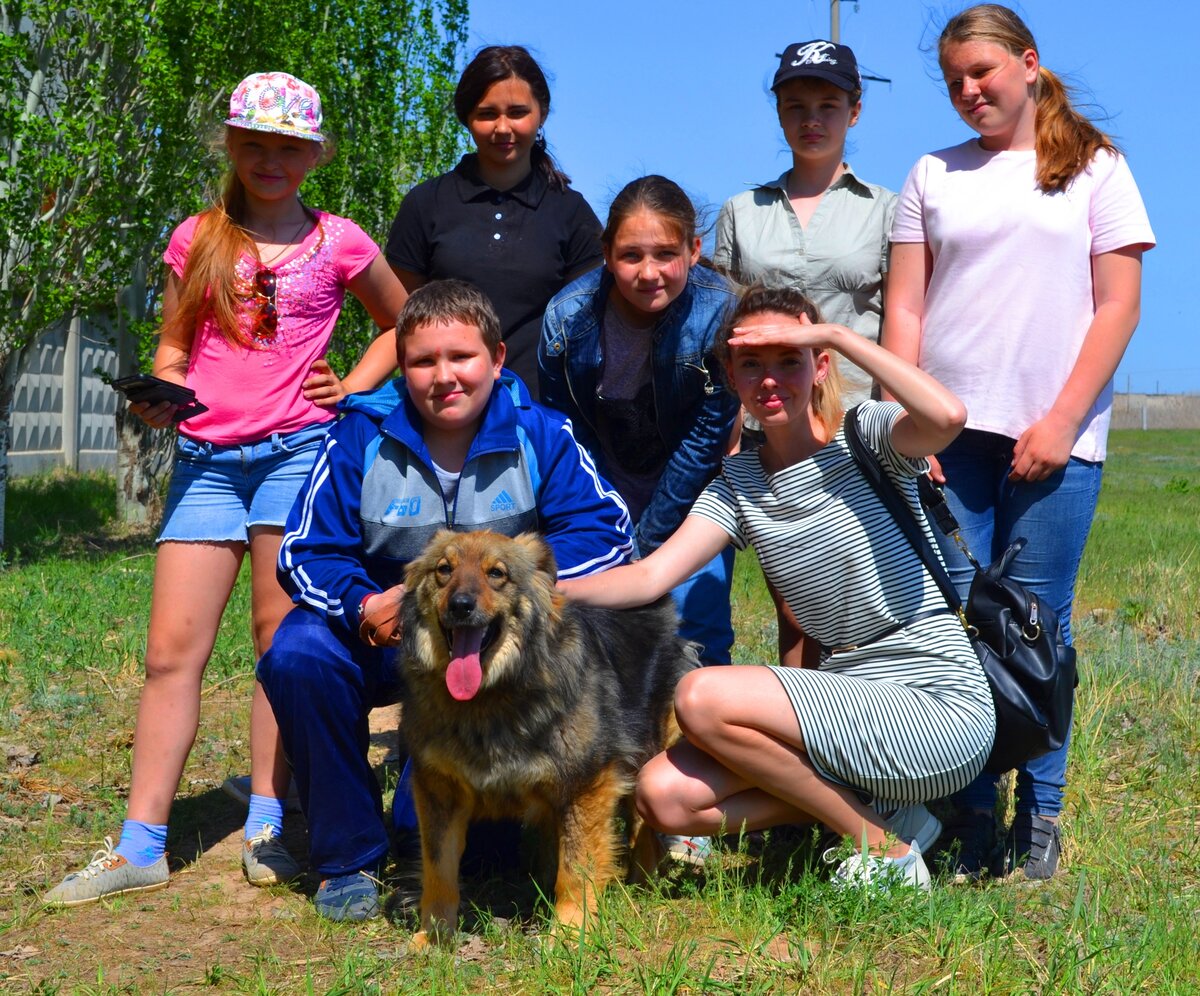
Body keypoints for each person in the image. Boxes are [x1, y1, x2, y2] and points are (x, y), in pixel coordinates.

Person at [43, 71, 408, 908]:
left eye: (287, 148)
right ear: (232, 147)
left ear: (314, 154)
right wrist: (161, 391)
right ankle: (141, 844)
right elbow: (174, 348)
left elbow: (401, 320)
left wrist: (350, 386)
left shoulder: (342, 241)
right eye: (254, 145)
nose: (269, 160)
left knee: (276, 646)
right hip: (205, 462)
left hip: (296, 457)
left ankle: (270, 824)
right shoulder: (198, 239)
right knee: (171, 652)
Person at [559, 285, 996, 892]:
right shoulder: (739, 484)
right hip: (851, 701)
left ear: (819, 366)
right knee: (663, 797)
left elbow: (947, 417)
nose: (770, 379)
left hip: (936, 699)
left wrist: (836, 334)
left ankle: (883, 851)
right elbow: (649, 575)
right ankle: (886, 817)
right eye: (752, 364)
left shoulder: (865, 437)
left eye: (789, 358)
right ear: (730, 377)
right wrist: (538, 588)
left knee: (701, 695)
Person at [258, 279, 635, 921]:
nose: (444, 377)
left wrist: (518, 573)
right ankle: (347, 859)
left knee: (482, 856)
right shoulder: (358, 435)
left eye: (461, 357)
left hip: (493, 652)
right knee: (297, 653)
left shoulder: (541, 433)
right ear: (400, 366)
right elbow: (303, 551)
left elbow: (608, 532)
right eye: (423, 361)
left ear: (496, 358)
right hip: (388, 638)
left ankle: (433, 824)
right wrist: (362, 604)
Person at [884, 4, 1154, 881]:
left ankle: (1040, 819)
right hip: (948, 438)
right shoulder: (931, 173)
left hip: (1053, 437)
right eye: (955, 79)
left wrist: (1063, 421)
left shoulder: (1098, 170)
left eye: (983, 73)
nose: (969, 91)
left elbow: (1117, 305)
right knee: (959, 627)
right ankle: (969, 813)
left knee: (1039, 629)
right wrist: (904, 418)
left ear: (1028, 65)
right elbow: (907, 310)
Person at [539, 175, 740, 867]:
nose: (648, 272)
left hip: (690, 497)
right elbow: (562, 434)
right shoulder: (567, 320)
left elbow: (708, 436)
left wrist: (647, 546)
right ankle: (597, 782)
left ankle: (690, 803)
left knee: (696, 631)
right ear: (604, 255)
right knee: (594, 637)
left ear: (694, 249)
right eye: (630, 256)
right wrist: (601, 526)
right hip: (600, 490)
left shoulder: (718, 316)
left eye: (665, 254)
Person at [714, 40, 895, 669]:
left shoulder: (886, 210)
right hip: (769, 418)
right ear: (779, 113)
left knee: (848, 583)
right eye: (795, 106)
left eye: (828, 104)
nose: (811, 119)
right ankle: (791, 720)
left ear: (856, 111)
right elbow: (726, 327)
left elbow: (899, 318)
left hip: (852, 420)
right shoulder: (742, 212)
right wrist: (733, 427)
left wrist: (895, 418)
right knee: (788, 588)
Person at [385, 45, 603, 395]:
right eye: (487, 114)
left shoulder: (572, 213)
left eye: (518, 112)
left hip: (542, 413)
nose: (503, 128)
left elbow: (588, 325)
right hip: (442, 406)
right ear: (466, 117)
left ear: (542, 113)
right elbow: (398, 319)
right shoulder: (425, 205)